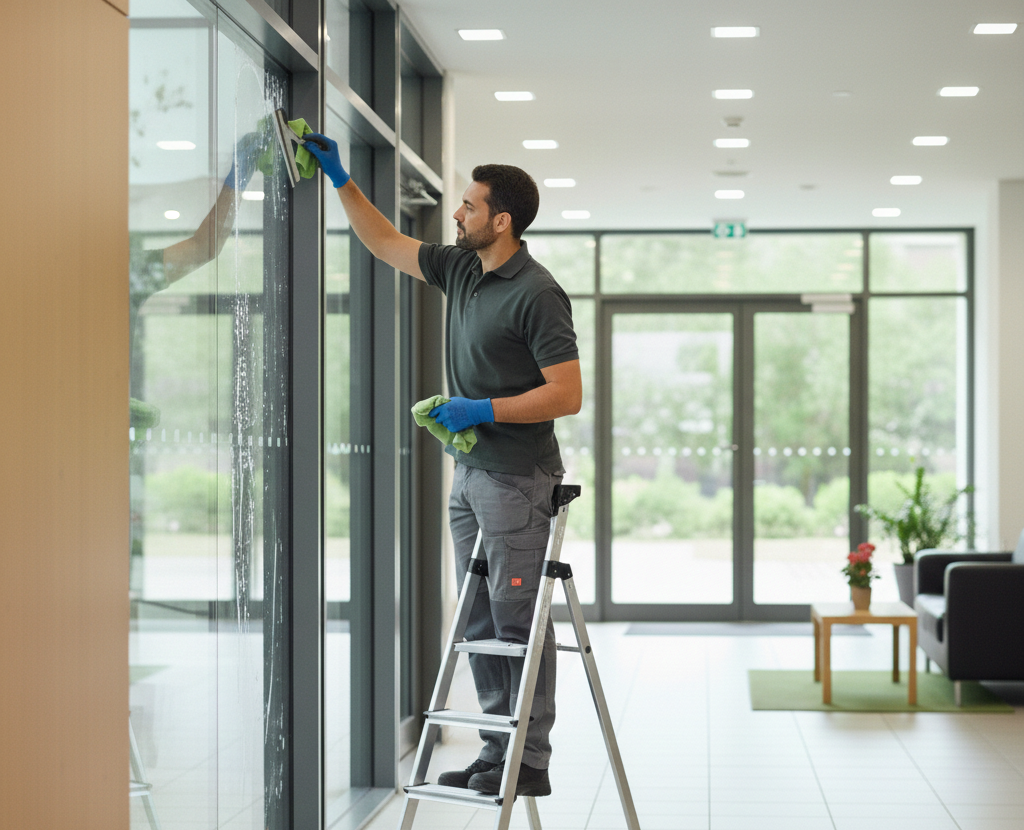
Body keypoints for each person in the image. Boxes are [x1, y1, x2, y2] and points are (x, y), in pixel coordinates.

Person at [304, 135, 581, 797]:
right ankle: (496, 750)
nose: (456, 215)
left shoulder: (538, 293)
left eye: (467, 205)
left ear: (501, 220)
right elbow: (386, 244)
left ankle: (530, 758)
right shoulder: (460, 269)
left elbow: (566, 394)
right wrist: (341, 179)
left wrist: (480, 408)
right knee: (480, 620)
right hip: (471, 476)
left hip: (518, 480)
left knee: (517, 622)